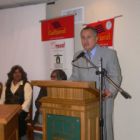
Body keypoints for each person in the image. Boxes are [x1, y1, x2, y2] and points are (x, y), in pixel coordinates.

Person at [70, 26, 122, 140]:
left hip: (103, 98)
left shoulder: (109, 53)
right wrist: (68, 88)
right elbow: (75, 77)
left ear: (96, 38)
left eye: (89, 37)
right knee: (87, 129)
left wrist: (110, 91)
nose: (85, 41)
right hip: (85, 100)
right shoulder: (78, 56)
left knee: (104, 131)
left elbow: (116, 76)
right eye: (83, 38)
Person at [0, 65, 32, 138]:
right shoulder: (7, 85)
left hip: (21, 110)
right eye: (15, 72)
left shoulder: (26, 84)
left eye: (19, 72)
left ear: (22, 74)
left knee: (17, 118)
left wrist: (20, 109)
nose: (17, 74)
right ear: (11, 74)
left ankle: (16, 136)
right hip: (7, 110)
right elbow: (2, 99)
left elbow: (28, 100)